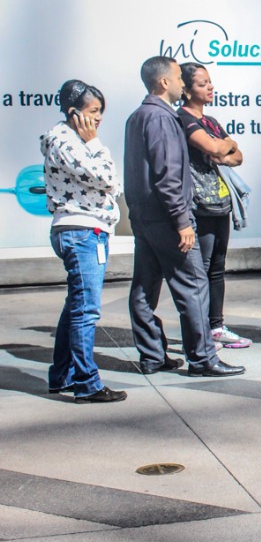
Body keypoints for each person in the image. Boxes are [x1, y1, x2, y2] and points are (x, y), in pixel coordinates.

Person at [125, 56, 244, 377]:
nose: (182, 83)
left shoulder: (137, 116)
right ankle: (203, 358)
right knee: (193, 285)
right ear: (164, 82)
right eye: (179, 77)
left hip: (144, 218)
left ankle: (152, 355)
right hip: (168, 219)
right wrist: (181, 221)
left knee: (143, 289)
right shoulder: (163, 120)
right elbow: (168, 175)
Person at [40, 80, 127, 403]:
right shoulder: (67, 142)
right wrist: (94, 143)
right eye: (93, 112)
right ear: (75, 113)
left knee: (75, 307)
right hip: (81, 231)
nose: (98, 119)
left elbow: (112, 186)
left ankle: (61, 375)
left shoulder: (71, 140)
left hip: (85, 230)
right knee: (86, 311)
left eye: (101, 112)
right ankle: (86, 383)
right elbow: (108, 180)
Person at [177, 63, 251, 350]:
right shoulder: (182, 119)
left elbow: (237, 157)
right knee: (201, 269)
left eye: (210, 82)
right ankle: (199, 333)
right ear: (185, 89)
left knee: (217, 268)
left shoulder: (211, 122)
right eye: (202, 83)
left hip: (221, 202)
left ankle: (216, 327)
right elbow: (219, 150)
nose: (210, 87)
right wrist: (225, 145)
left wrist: (224, 147)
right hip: (199, 205)